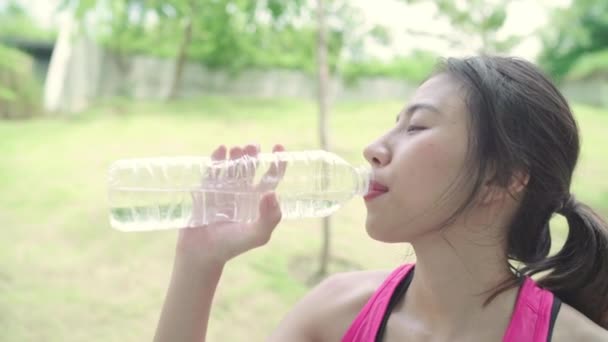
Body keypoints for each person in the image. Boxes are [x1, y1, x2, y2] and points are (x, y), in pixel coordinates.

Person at [153, 56, 608, 341]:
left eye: (416, 127)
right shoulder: (333, 312)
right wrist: (198, 265)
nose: (374, 147)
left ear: (502, 179)